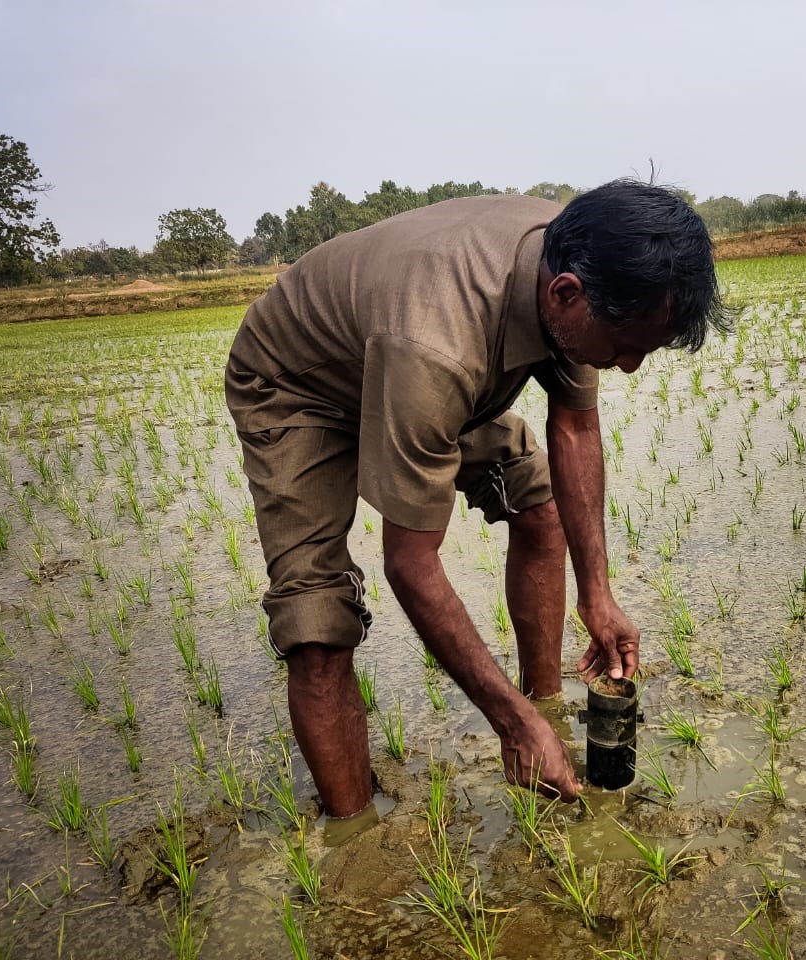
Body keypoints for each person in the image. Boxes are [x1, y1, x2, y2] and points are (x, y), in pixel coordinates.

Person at [225, 179, 728, 830]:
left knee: (536, 501)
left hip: (406, 365)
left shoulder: (585, 256)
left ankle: (543, 710)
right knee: (317, 626)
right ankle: (356, 842)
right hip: (300, 386)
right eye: (627, 344)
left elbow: (574, 429)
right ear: (564, 294)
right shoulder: (437, 343)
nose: (628, 366)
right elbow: (410, 564)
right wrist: (504, 721)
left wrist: (597, 594)